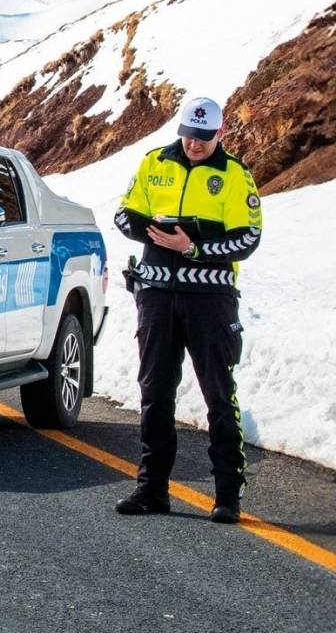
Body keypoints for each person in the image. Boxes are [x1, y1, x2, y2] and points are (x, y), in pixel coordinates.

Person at [113, 97, 263, 525]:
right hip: (157, 294)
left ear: (221, 134)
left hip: (210, 301)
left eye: (204, 137)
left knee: (218, 394)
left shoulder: (234, 175)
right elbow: (124, 215)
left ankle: (228, 496)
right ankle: (151, 489)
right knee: (154, 392)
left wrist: (193, 248)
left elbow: (247, 237)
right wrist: (153, 231)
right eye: (189, 135)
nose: (194, 145)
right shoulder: (154, 162)